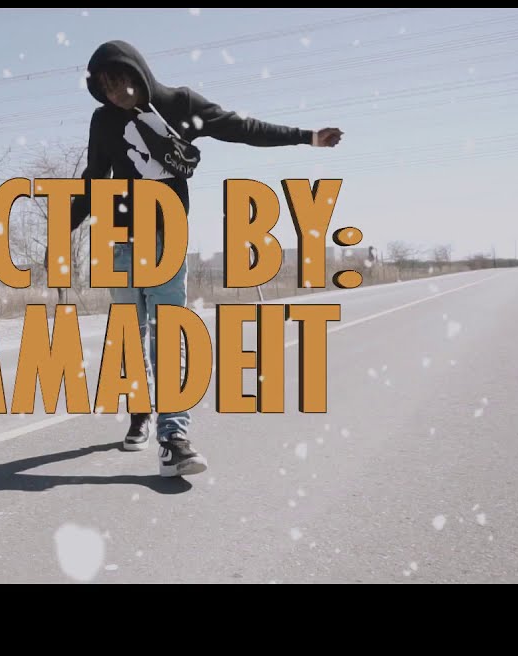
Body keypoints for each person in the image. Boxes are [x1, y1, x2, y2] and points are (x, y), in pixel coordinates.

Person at [67, 39, 342, 478]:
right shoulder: (104, 121)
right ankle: (140, 412)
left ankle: (173, 439)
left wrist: (305, 137)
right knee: (130, 335)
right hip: (120, 243)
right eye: (106, 88)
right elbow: (94, 178)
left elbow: (240, 127)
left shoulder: (180, 104)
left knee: (167, 333)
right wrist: (62, 228)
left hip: (167, 238)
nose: (116, 95)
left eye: (120, 83)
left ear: (138, 72)